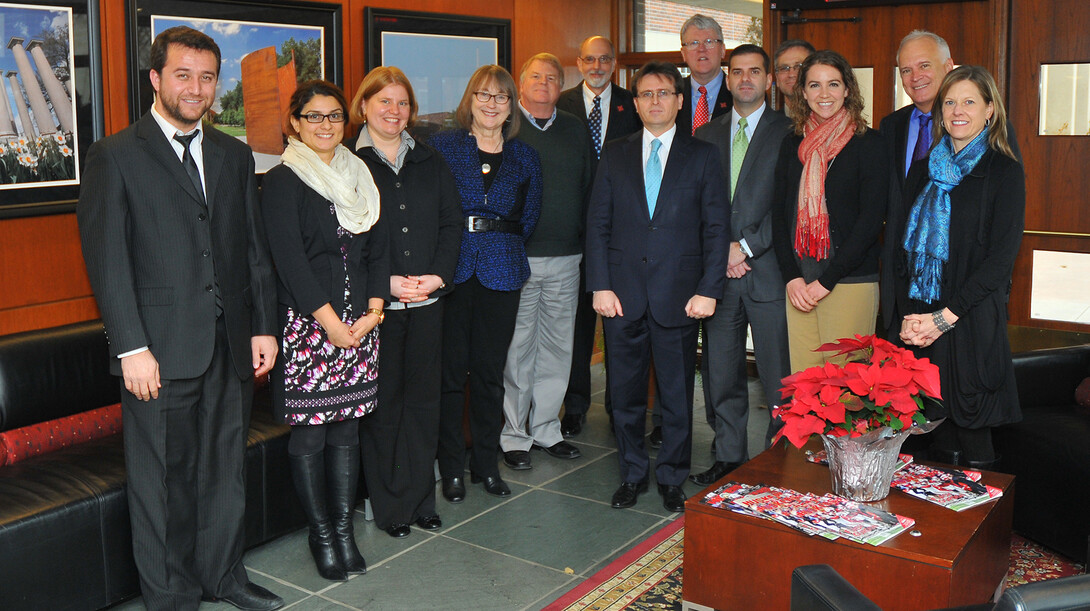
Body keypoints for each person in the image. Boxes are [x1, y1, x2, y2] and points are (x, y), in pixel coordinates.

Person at [77, 26, 284, 610]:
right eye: (183, 74)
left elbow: (252, 248)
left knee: (226, 473)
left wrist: (264, 326)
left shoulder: (233, 154)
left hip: (231, 344)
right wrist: (130, 348)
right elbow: (107, 260)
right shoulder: (114, 155)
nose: (196, 88)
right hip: (158, 352)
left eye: (207, 76)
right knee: (162, 485)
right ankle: (171, 598)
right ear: (155, 78)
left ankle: (226, 580)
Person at [586, 60, 728, 513]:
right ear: (636, 103)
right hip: (621, 296)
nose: (654, 101)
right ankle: (631, 474)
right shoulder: (616, 152)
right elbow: (598, 224)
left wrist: (709, 288)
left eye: (663, 93)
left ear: (679, 100)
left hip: (681, 297)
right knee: (624, 396)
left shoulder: (703, 155)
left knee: (676, 395)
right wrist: (600, 285)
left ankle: (671, 475)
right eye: (645, 94)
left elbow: (715, 228)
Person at [261, 80, 387, 580]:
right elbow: (289, 261)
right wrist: (331, 323)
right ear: (295, 122)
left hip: (361, 327)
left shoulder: (361, 176)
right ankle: (322, 534)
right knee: (312, 436)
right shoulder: (283, 180)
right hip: (309, 328)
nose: (326, 125)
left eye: (334, 115)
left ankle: (343, 529)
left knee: (348, 431)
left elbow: (376, 250)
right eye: (313, 116)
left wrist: (374, 312)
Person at [885, 66, 1024, 469]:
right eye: (949, 102)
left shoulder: (1003, 171)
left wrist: (943, 319)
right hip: (920, 320)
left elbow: (999, 263)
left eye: (968, 102)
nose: (957, 111)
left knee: (973, 436)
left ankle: (984, 529)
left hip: (970, 322)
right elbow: (903, 249)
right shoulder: (924, 169)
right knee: (925, 440)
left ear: (989, 111)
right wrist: (907, 318)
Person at [350, 67, 462, 538]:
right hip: (378, 310)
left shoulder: (430, 162)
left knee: (423, 405)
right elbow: (348, 241)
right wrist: (389, 282)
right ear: (364, 106)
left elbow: (451, 225)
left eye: (402, 104)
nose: (394, 112)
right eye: (384, 102)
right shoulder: (347, 163)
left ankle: (420, 500)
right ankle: (390, 505)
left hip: (428, 306)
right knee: (383, 409)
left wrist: (436, 276)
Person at [431, 65, 543, 501]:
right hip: (454, 272)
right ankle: (452, 468)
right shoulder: (442, 148)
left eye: (501, 97)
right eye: (484, 95)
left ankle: (486, 465)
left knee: (491, 375)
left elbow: (528, 219)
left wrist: (498, 244)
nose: (492, 104)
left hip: (503, 271)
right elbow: (435, 212)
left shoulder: (526, 156)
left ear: (512, 106)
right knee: (452, 375)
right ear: (469, 100)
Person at [693, 44, 792, 486]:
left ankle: (779, 460)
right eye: (737, 72)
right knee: (721, 371)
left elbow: (788, 206)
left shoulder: (791, 132)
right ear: (726, 79)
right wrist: (722, 252)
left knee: (779, 375)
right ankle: (729, 454)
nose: (746, 79)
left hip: (768, 271)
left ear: (769, 80)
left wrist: (745, 247)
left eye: (755, 72)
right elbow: (696, 205)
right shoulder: (705, 136)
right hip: (718, 274)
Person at [878, 30, 1020, 335]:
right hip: (911, 302)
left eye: (924, 65)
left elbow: (1001, 239)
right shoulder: (892, 128)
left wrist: (952, 312)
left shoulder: (999, 152)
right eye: (906, 70)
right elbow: (897, 215)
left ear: (948, 66)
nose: (915, 76)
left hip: (969, 306)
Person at [500, 53, 592, 470]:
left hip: (568, 257)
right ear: (521, 84)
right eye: (535, 76)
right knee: (518, 348)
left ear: (561, 86)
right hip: (518, 258)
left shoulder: (575, 129)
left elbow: (589, 188)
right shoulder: (506, 127)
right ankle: (514, 435)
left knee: (558, 348)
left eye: (552, 78)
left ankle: (546, 429)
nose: (544, 83)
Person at [771, 50, 889, 374]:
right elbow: (779, 216)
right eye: (814, 85)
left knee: (847, 391)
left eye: (833, 84)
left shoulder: (871, 144)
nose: (824, 94)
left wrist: (826, 280)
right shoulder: (791, 143)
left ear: (847, 89)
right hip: (800, 286)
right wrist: (791, 278)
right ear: (803, 92)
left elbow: (870, 222)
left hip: (849, 282)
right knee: (805, 389)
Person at [556, 36, 643, 438]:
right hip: (573, 234)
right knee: (576, 327)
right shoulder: (561, 103)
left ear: (613, 63)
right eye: (589, 58)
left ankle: (617, 406)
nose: (596, 65)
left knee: (618, 328)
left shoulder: (635, 103)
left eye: (604, 58)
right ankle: (574, 406)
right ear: (579, 62)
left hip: (621, 234)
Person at [677, 14, 733, 136]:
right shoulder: (673, 93)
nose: (701, 49)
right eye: (694, 43)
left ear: (723, 50)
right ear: (683, 54)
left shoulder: (737, 93)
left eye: (709, 42)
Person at [772, 39, 815, 117]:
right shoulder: (768, 126)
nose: (791, 74)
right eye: (784, 68)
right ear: (777, 78)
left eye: (798, 66)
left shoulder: (837, 124)